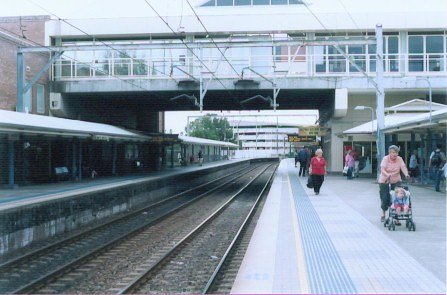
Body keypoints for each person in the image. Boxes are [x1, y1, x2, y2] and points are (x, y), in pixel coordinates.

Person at [378, 145, 410, 222]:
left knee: (398, 196)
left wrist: (406, 174)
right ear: (389, 153)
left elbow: (403, 167)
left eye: (395, 152)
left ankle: (397, 217)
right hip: (385, 180)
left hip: (396, 179)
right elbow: (382, 169)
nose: (394, 154)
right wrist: (387, 174)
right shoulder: (385, 158)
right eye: (392, 152)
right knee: (385, 197)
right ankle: (383, 213)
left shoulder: (399, 159)